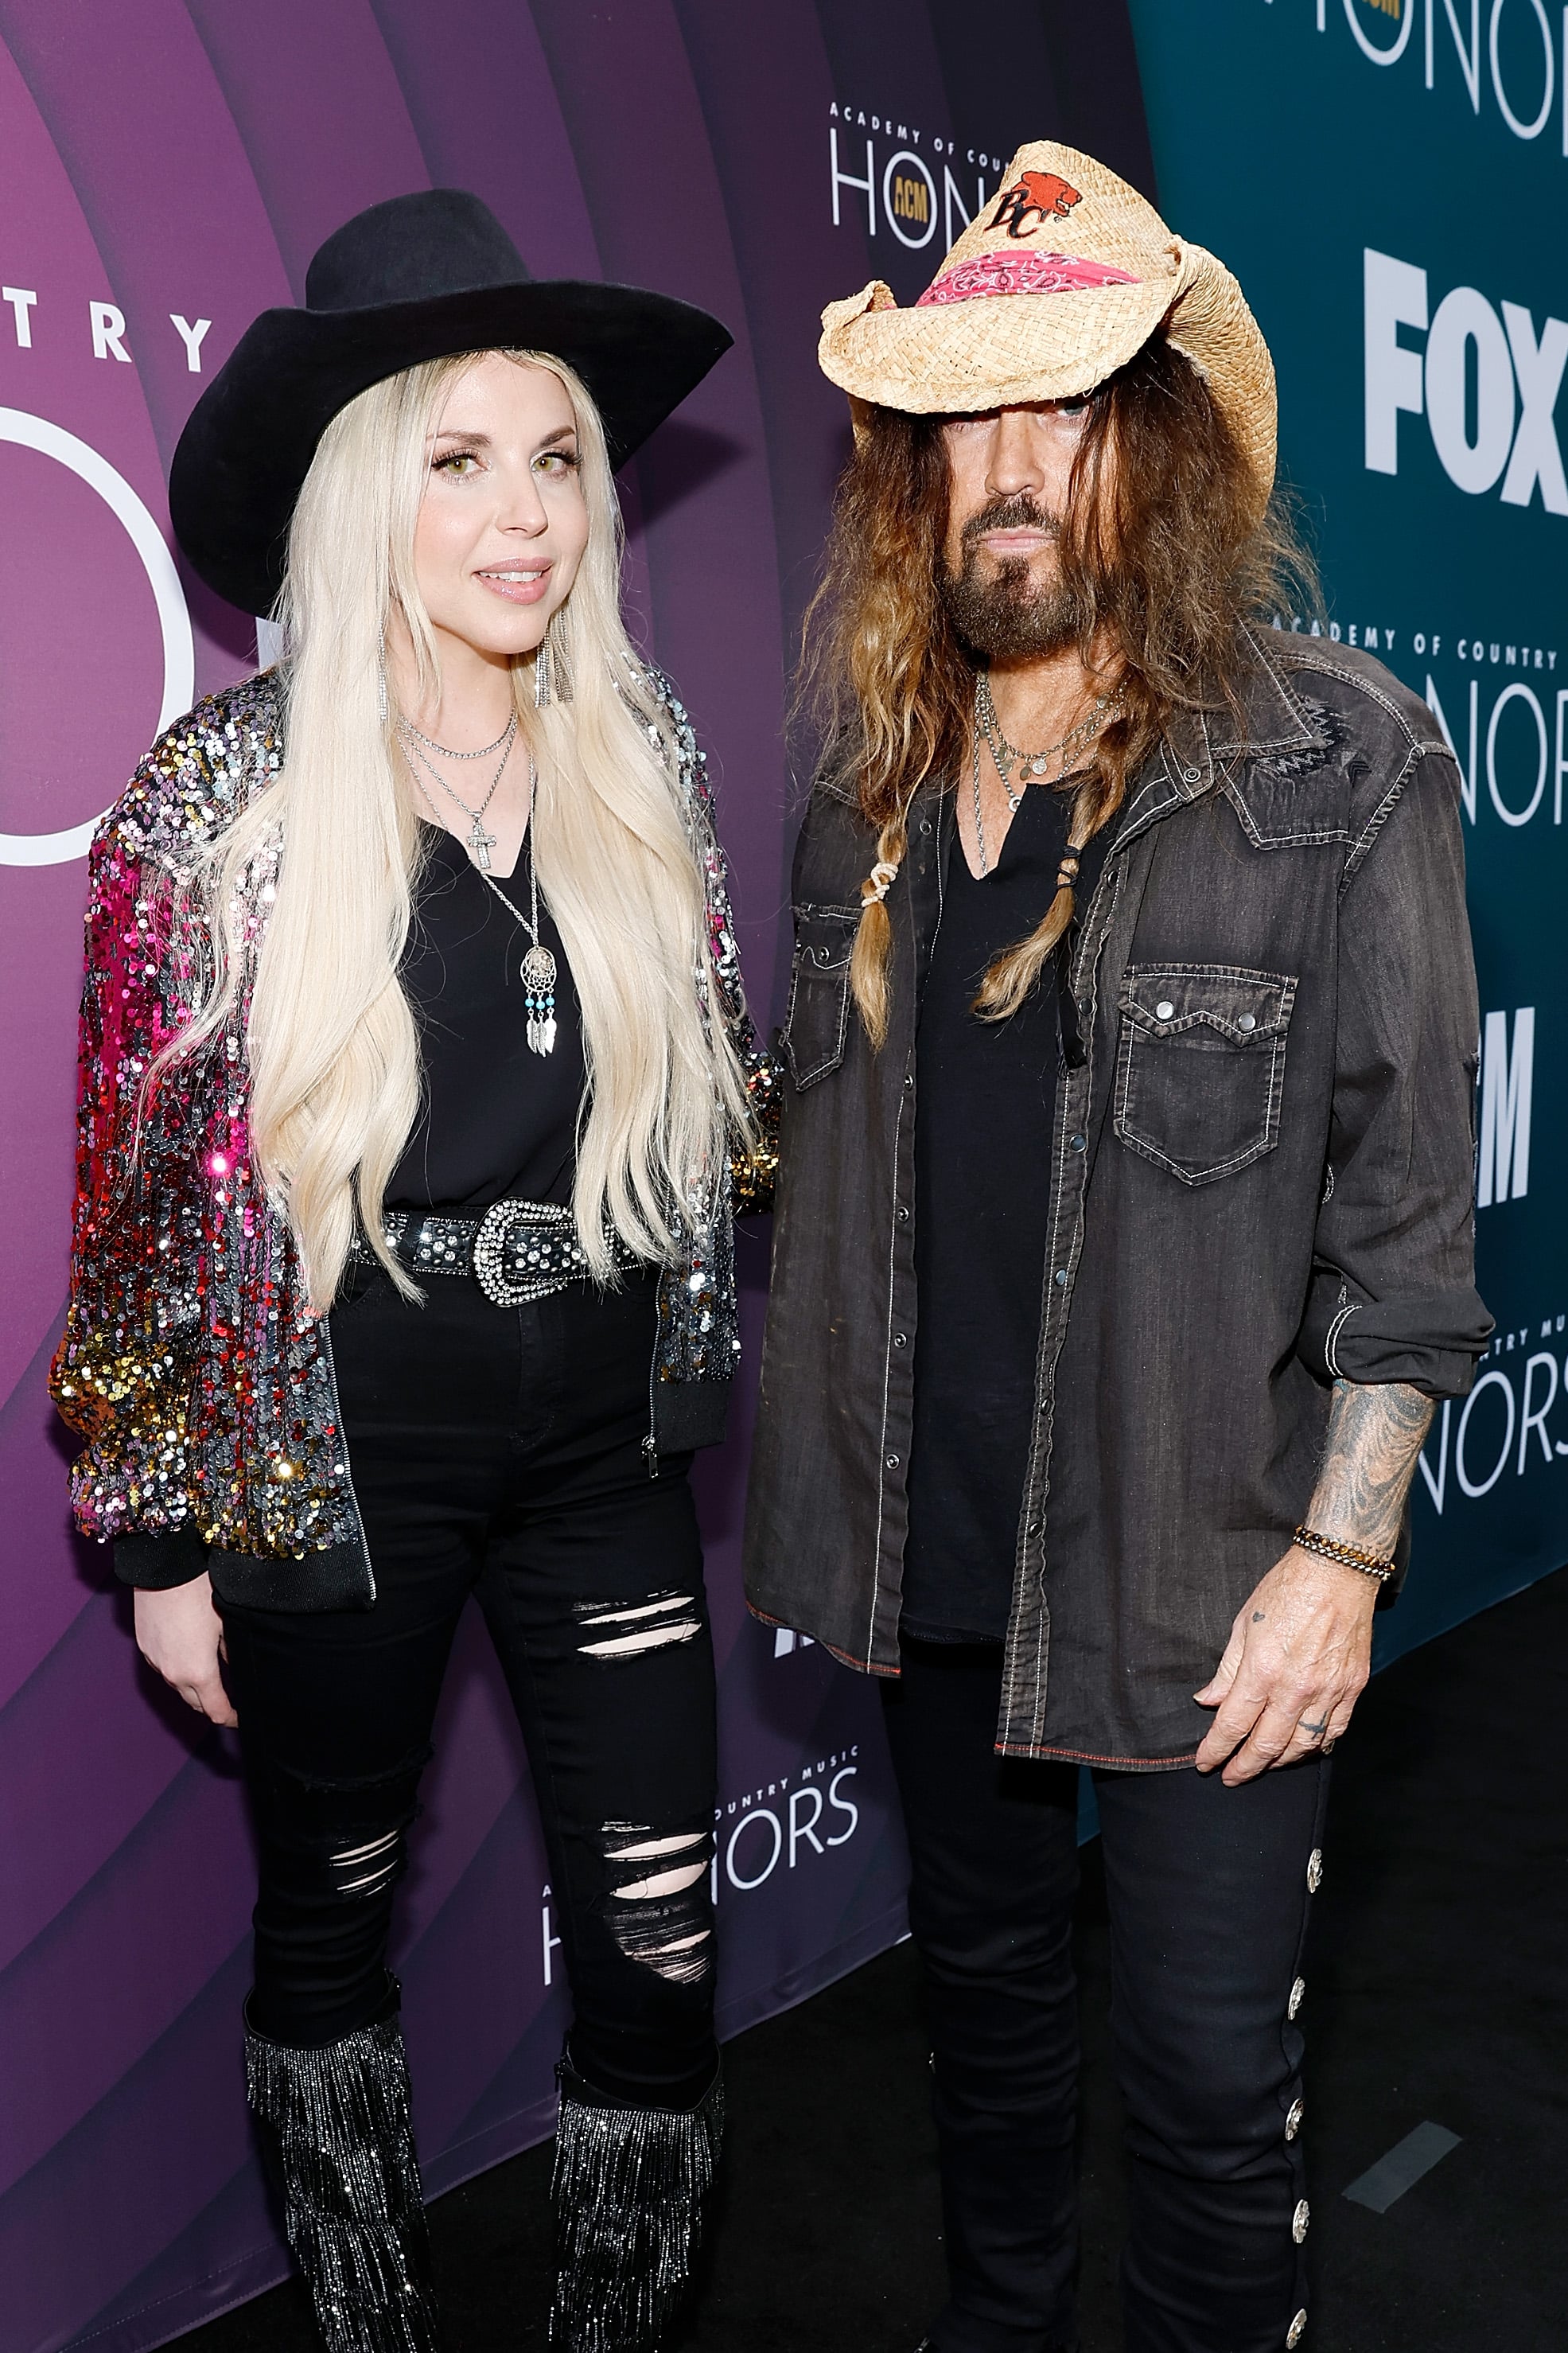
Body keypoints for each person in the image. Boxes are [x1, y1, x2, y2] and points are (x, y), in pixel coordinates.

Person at [744, 142, 1491, 2353]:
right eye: (964, 414)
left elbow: (1408, 1239)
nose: (1006, 468)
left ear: (1151, 452)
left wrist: (1339, 1563)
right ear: (909, 474)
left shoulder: (1331, 761)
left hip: (1201, 1568)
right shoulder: (854, 803)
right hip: (929, 1556)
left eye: (1059, 409)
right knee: (980, 2051)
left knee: (1199, 2095)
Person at [52, 189, 776, 2353]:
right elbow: (146, 1211)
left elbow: (722, 1123)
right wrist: (161, 1539)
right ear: (367, 493)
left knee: (657, 1951)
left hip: (601, 1448)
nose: (527, 514)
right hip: (333, 1450)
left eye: (554, 459)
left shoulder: (637, 765)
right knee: (328, 1936)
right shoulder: (221, 800)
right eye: (458, 461)